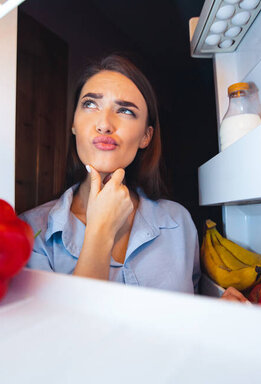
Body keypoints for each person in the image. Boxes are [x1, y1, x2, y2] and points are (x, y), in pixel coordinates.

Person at [19, 54, 247, 303]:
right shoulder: (30, 233)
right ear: (73, 123)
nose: (105, 124)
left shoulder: (178, 221)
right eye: (91, 105)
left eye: (125, 110)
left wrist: (217, 313)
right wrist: (100, 232)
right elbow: (65, 338)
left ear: (145, 137)